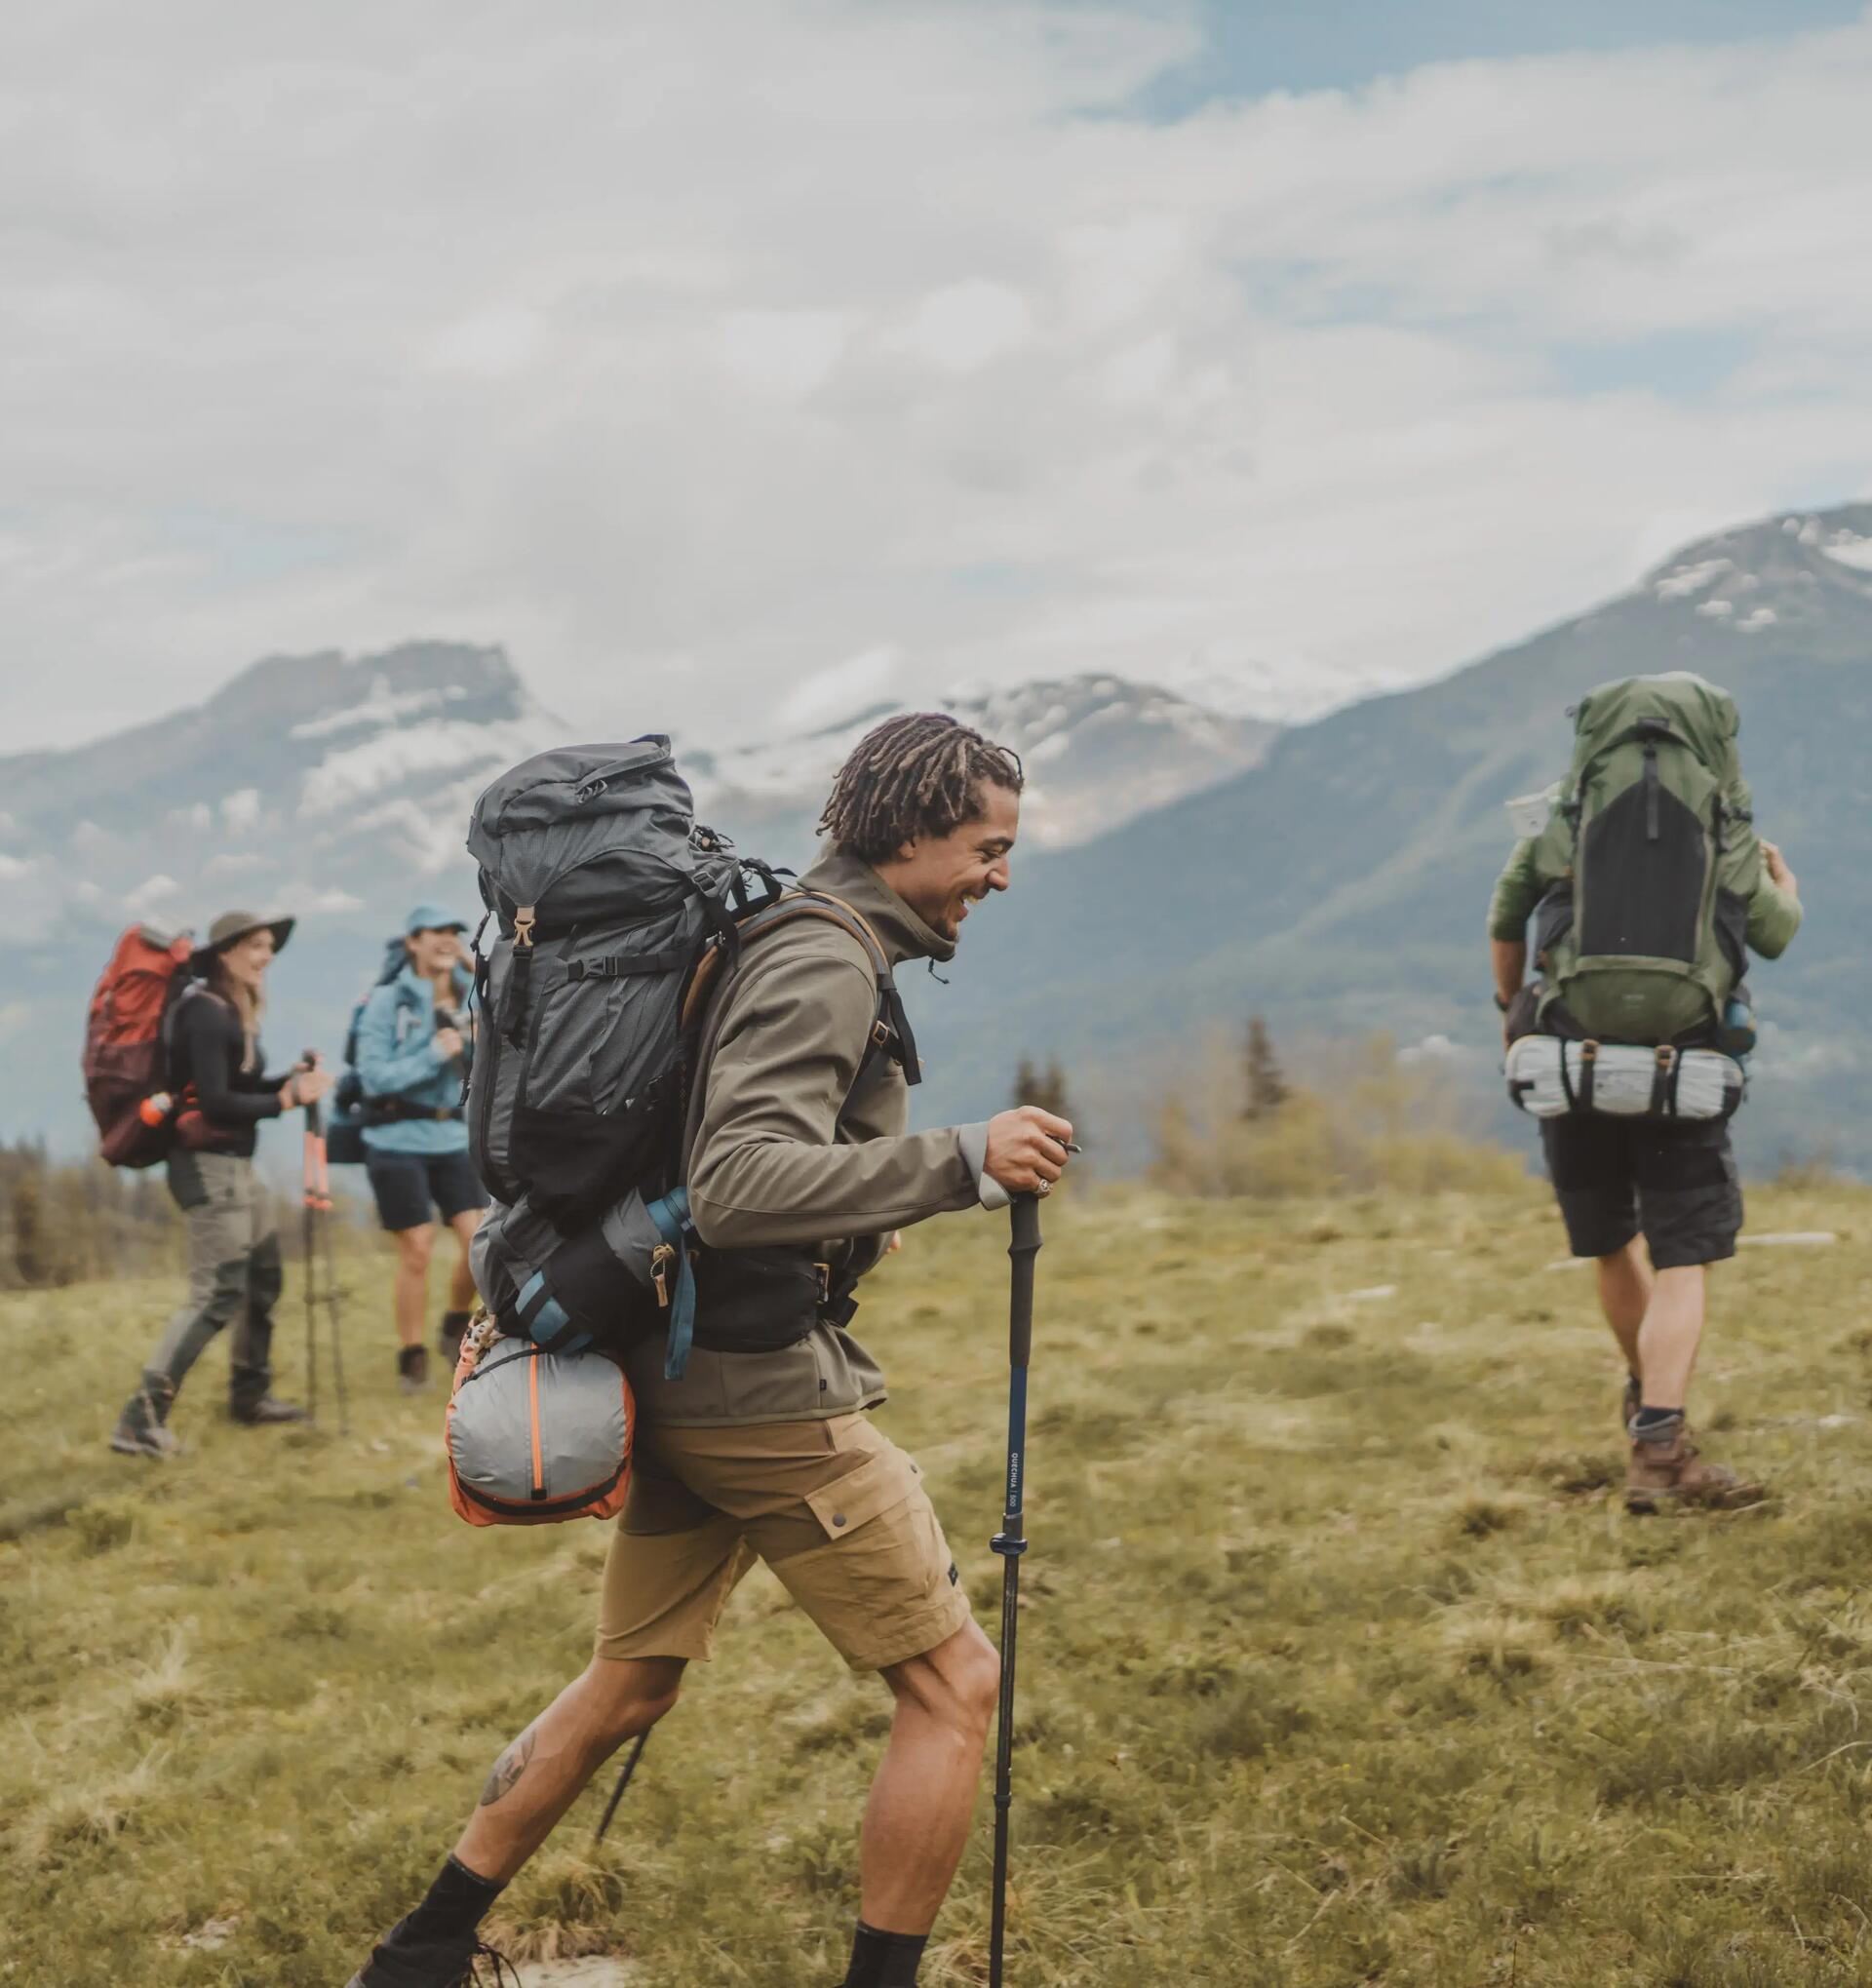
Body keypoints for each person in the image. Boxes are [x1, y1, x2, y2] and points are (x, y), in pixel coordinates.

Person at [346, 715, 1075, 1988]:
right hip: (761, 1399)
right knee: (956, 1681)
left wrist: (854, 1218)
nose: (999, 875)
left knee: (631, 1680)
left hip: (668, 1373)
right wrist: (963, 1158)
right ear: (908, 832)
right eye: (985, 846)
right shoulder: (822, 957)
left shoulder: (788, 929)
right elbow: (738, 1181)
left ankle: (423, 1947)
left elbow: (723, 1153)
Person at [1491, 791, 1802, 1511]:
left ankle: (1647, 1398)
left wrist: (1510, 1011)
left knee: (1612, 1242)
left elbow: (1505, 918)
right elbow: (1775, 934)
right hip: (1682, 1070)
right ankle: (1659, 1447)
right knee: (1682, 1256)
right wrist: (1785, 883)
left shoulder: (1558, 819)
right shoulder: (1726, 830)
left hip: (1571, 1061)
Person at [109, 910, 332, 1457]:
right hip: (208, 1168)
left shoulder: (228, 1009)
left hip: (233, 1165)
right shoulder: (205, 1013)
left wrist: (288, 1080)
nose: (266, 956)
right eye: (255, 946)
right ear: (226, 953)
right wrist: (286, 1100)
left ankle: (249, 1397)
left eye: (268, 947)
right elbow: (214, 1101)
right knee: (217, 1292)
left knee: (263, 1276)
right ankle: (140, 1420)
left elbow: (239, 1084)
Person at [354, 905, 488, 1391]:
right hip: (394, 1137)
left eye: (454, 931)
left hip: (452, 1132)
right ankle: (410, 1356)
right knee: (418, 1248)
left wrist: (475, 1034)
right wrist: (435, 1051)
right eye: (435, 932)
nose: (446, 939)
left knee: (479, 1240)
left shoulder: (470, 990)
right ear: (412, 941)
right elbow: (374, 1076)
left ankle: (453, 1323)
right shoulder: (387, 1001)